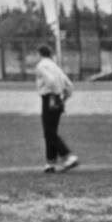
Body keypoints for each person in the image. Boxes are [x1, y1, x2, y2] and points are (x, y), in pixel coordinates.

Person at [35, 45, 78, 173]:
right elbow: (69, 86)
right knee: (50, 131)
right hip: (58, 99)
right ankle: (50, 162)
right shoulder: (55, 66)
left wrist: (53, 96)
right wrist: (62, 99)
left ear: (39, 54)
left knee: (49, 132)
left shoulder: (41, 66)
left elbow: (52, 81)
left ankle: (68, 156)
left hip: (49, 99)